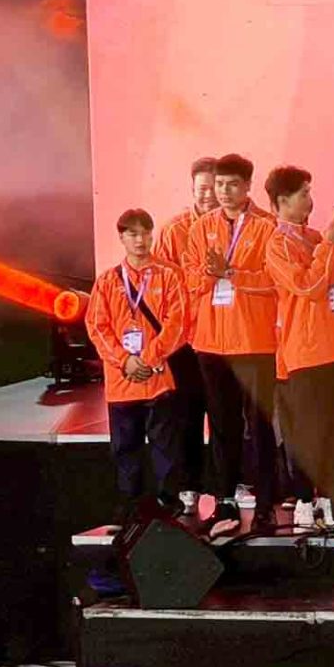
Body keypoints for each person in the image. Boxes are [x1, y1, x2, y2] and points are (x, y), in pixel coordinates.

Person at [178, 153, 282, 538]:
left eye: (232, 184)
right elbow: (190, 282)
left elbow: (274, 281)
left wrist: (232, 273)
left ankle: (267, 504)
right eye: (219, 184)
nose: (223, 191)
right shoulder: (200, 228)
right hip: (211, 343)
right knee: (221, 426)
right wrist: (210, 275)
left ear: (248, 186)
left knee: (260, 425)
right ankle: (224, 503)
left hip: (254, 343)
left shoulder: (267, 228)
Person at [264, 165, 334, 532]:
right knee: (306, 432)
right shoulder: (277, 244)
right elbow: (308, 286)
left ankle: (328, 497)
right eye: (303, 194)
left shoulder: (313, 236)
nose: (310, 200)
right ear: (281, 201)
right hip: (306, 351)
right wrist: (329, 246)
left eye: (310, 192)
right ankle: (305, 499)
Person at [85, 209, 191, 518]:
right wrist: (125, 361)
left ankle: (168, 505)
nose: (140, 240)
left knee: (165, 448)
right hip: (122, 381)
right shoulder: (107, 281)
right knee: (125, 448)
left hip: (159, 377)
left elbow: (179, 324)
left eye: (145, 233)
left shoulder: (169, 275)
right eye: (133, 234)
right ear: (121, 238)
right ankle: (129, 508)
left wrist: (147, 358)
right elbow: (97, 327)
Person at [154, 158, 217, 513]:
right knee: (187, 415)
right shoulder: (173, 231)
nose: (209, 195)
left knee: (225, 415)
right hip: (184, 341)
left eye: (214, 187)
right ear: (192, 189)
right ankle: (189, 486)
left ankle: (230, 485)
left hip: (224, 337)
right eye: (202, 188)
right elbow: (160, 286)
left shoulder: (232, 228)